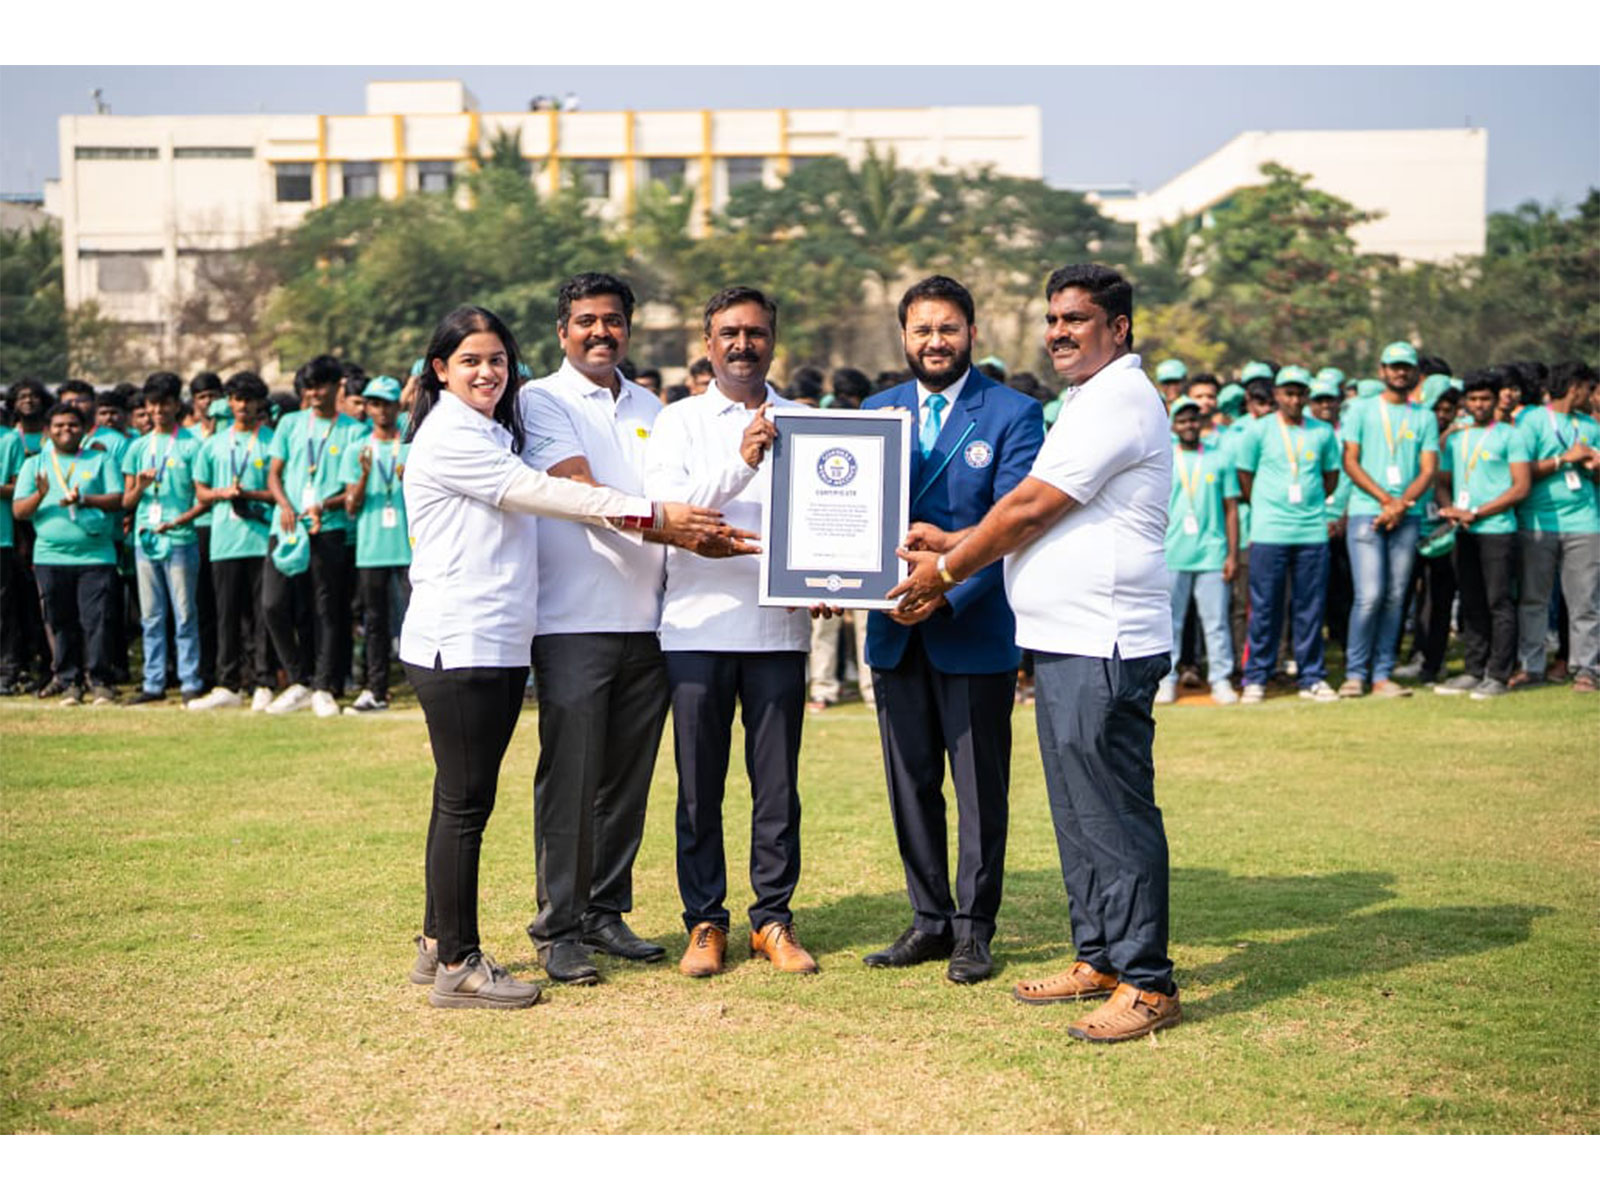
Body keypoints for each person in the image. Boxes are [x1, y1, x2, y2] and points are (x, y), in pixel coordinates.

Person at [399, 304, 729, 1009]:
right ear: (439, 370)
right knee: (464, 805)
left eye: (495, 360)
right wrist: (656, 517)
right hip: (462, 639)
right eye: (469, 361)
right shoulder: (458, 433)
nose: (486, 372)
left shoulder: (488, 424)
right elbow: (545, 490)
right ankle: (459, 963)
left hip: (494, 640)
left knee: (461, 802)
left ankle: (436, 946)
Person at [892, 263, 1179, 1042]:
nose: (1058, 332)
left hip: (1105, 638)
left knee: (1113, 811)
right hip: (1060, 638)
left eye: (1076, 319)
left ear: (1118, 328)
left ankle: (1148, 981)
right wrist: (955, 538)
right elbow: (1053, 516)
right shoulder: (1087, 399)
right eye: (1052, 319)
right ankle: (1100, 958)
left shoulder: (1120, 396)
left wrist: (948, 568)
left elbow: (1027, 507)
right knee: (1078, 811)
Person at [517, 272, 739, 985]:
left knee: (627, 782)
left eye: (613, 320)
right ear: (562, 331)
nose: (600, 332)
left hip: (649, 620)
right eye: (585, 321)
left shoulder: (656, 407)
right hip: (573, 620)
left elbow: (685, 498)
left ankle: (606, 910)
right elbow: (579, 491)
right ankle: (558, 927)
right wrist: (667, 522)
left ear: (629, 328)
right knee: (572, 781)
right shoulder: (540, 400)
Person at [854, 275, 1043, 984]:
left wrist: (947, 584)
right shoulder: (875, 411)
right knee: (909, 785)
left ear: (972, 332)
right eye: (922, 330)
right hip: (895, 631)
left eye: (948, 329)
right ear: (903, 336)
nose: (935, 342)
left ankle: (974, 929)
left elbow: (1016, 527)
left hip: (973, 627)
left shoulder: (1015, 414)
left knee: (977, 789)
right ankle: (928, 920)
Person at [644, 286, 819, 980]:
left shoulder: (808, 420)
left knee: (777, 788)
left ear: (773, 339)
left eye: (754, 332)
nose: (742, 344)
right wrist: (743, 458)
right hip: (696, 627)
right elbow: (669, 515)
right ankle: (705, 921)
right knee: (699, 786)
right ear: (707, 341)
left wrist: (832, 578)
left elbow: (827, 522)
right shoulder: (677, 422)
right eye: (728, 333)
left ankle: (772, 919)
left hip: (778, 630)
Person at [1232, 367, 1342, 702]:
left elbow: (1330, 478)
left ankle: (1311, 676)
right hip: (1269, 531)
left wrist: (1308, 507)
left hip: (1311, 531)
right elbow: (1245, 477)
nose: (1294, 399)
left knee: (1310, 607)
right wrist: (1269, 508)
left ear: (1306, 396)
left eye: (1300, 393)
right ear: (1278, 395)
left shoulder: (1322, 432)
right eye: (1288, 393)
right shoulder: (1258, 430)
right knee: (1265, 607)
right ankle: (1257, 676)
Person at [262, 356, 364, 717]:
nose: (314, 393)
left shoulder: (354, 429)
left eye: (321, 385)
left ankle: (322, 686)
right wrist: (285, 505)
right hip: (287, 527)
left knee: (326, 610)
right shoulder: (290, 424)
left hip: (328, 529)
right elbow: (274, 473)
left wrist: (325, 504)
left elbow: (353, 486)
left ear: (337, 386)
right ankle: (298, 679)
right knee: (273, 605)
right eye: (309, 387)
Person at [1339, 341, 1439, 698]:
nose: (1400, 372)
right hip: (1368, 512)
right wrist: (1386, 500)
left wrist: (1401, 504)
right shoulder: (1362, 410)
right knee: (1369, 595)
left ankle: (1382, 674)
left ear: (1415, 373)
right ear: (1381, 370)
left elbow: (1429, 469)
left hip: (1406, 515)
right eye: (1393, 366)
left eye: (1406, 367)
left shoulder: (1424, 416)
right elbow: (1350, 460)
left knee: (1397, 597)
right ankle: (1354, 673)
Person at [10, 403, 124, 704]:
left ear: (84, 429)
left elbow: (117, 499)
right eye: (58, 426)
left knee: (96, 621)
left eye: (72, 425)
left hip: (95, 556)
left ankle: (99, 680)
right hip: (50, 556)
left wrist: (85, 498)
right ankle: (68, 680)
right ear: (48, 431)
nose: (65, 431)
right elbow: (19, 511)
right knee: (59, 621)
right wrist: (40, 494)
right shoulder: (35, 465)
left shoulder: (101, 459)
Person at [1432, 370, 1532, 699]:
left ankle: (1498, 674)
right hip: (1464, 530)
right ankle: (1474, 670)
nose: (1478, 404)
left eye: (1485, 398)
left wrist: (1477, 513)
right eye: (1473, 399)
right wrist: (1450, 511)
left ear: (1496, 400)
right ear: (1465, 402)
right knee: (1472, 601)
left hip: (1496, 530)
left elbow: (1520, 487)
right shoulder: (1455, 438)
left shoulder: (1510, 435)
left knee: (1498, 602)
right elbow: (1443, 482)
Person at [189, 372, 277, 711]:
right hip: (224, 540)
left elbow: (280, 490)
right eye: (237, 399)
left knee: (261, 614)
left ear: (259, 404)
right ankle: (227, 684)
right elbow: (200, 489)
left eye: (250, 400)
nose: (243, 406)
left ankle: (263, 681)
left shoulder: (271, 441)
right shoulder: (213, 443)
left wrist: (251, 494)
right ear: (229, 402)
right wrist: (221, 493)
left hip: (261, 538)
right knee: (225, 614)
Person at [1511, 360, 1600, 692]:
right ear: (1574, 386)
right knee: (1533, 598)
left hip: (1585, 521)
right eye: (1589, 389)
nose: (1592, 397)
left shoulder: (1590, 427)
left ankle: (1586, 670)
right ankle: (1531, 666)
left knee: (1585, 601)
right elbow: (1520, 470)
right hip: (1538, 521)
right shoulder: (1532, 420)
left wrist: (1594, 465)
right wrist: (1564, 459)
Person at [122, 372, 208, 705]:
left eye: (165, 403)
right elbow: (126, 502)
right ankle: (153, 682)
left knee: (185, 614)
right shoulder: (138, 447)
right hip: (146, 540)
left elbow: (203, 498)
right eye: (152, 404)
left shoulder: (191, 444)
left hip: (181, 538)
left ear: (176, 404)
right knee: (151, 615)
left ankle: (190, 680)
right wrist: (141, 487)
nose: (158, 410)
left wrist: (179, 520)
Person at [1157, 397, 1240, 705]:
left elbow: (1231, 508)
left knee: (1216, 622)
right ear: (1173, 425)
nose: (1189, 425)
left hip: (1212, 554)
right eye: (1182, 420)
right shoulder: (1165, 457)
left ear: (1201, 423)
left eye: (1194, 420)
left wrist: (1232, 554)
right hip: (1173, 552)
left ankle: (1220, 679)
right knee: (1170, 623)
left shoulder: (1220, 458)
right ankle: (1167, 679)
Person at [338, 376, 411, 714]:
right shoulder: (358, 447)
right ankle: (376, 689)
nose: (382, 410)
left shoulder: (412, 445)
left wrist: (406, 480)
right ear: (367, 407)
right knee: (375, 623)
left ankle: (427, 686)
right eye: (375, 403)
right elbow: (351, 505)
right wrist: (365, 475)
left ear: (399, 406)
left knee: (419, 619)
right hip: (371, 549)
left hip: (411, 547)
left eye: (388, 403)